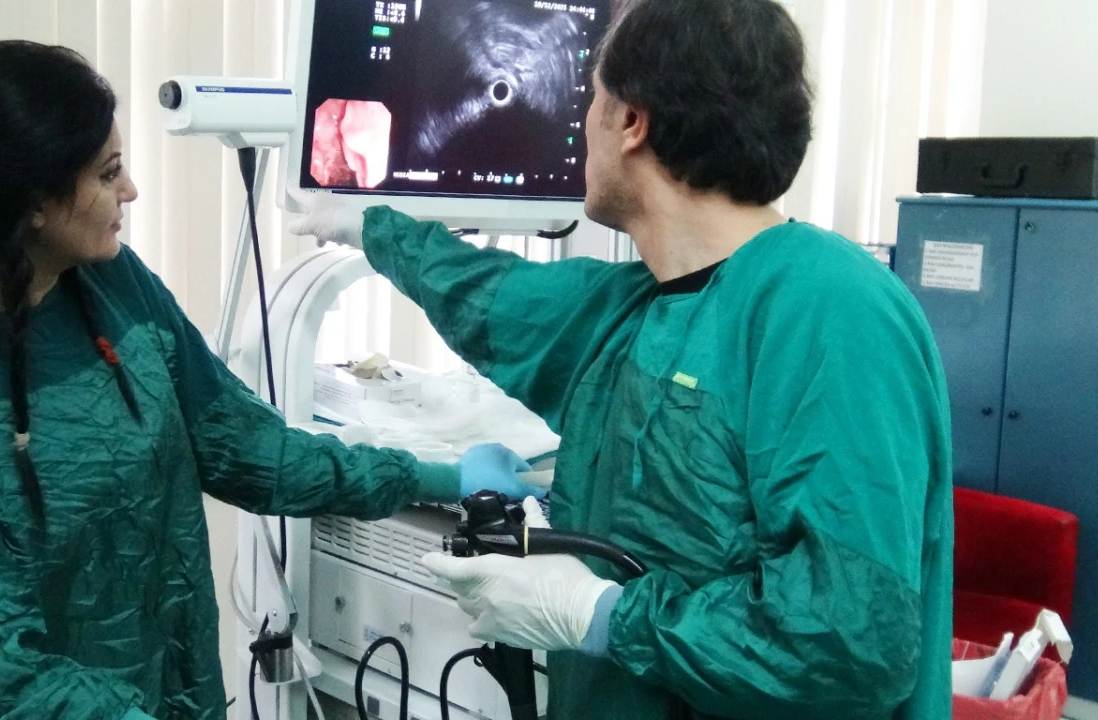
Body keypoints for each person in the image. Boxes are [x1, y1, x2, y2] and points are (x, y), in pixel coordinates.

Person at [0, 40, 542, 720]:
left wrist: (439, 476)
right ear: (35, 202)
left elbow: (247, 447)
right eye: (107, 173)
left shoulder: (109, 284)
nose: (131, 190)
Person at [290, 0, 954, 718]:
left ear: (632, 121)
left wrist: (603, 616)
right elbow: (490, 296)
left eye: (590, 101)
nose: (580, 128)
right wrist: (371, 228)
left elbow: (849, 642)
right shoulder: (638, 303)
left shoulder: (831, 309)